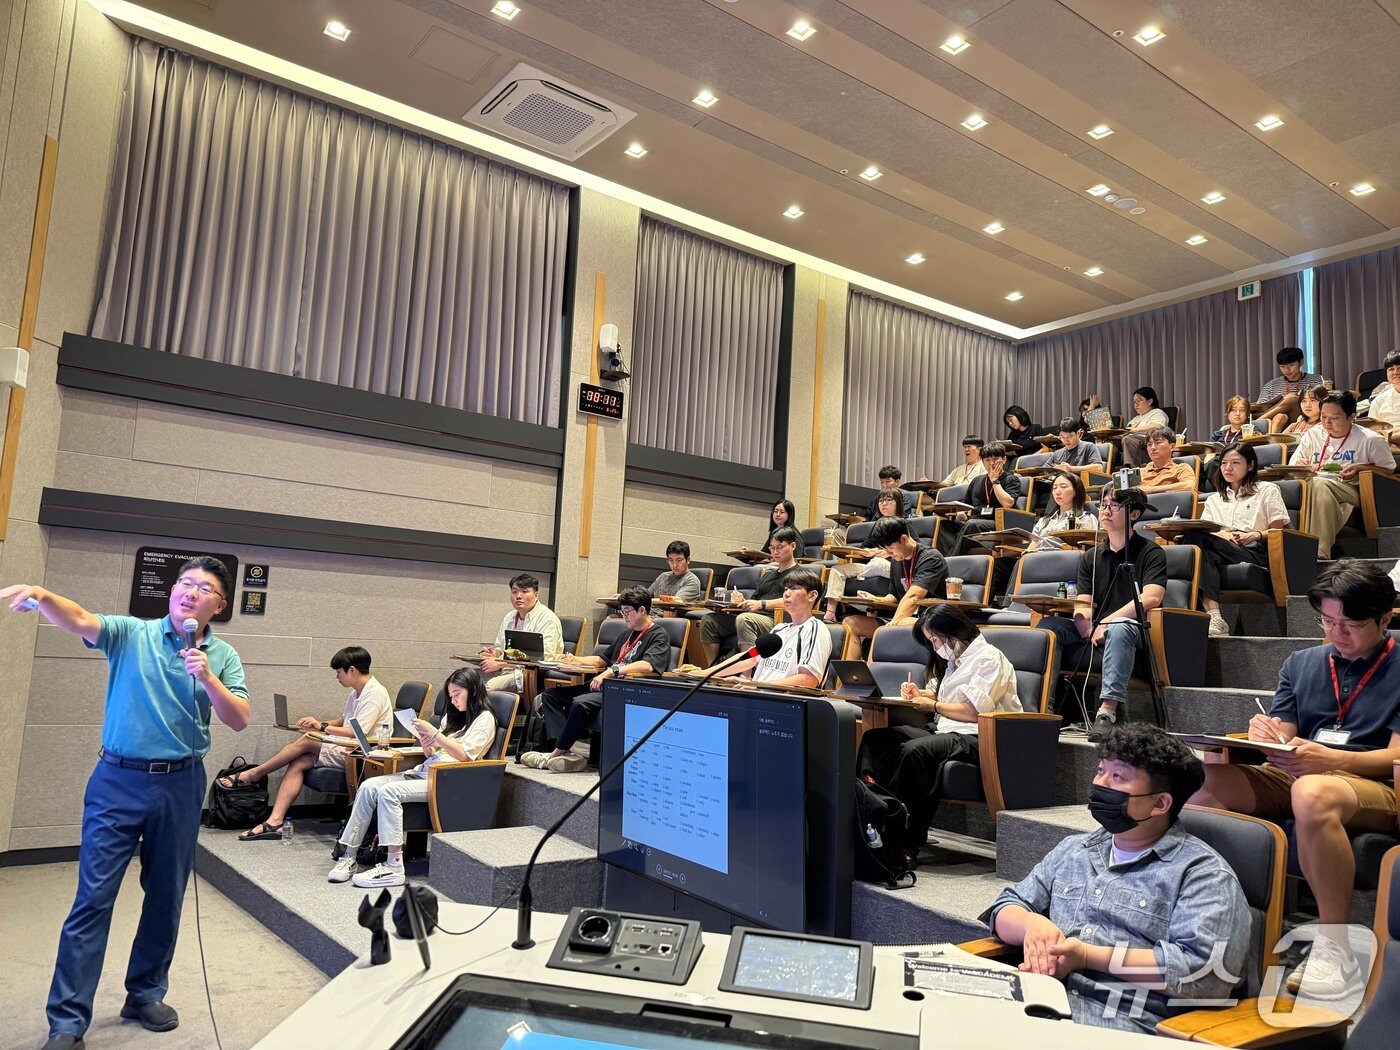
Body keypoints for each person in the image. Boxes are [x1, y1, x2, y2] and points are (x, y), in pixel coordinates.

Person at [3, 558, 250, 1048]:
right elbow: (79, 619)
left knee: (166, 896)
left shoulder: (222, 656)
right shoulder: (129, 633)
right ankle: (68, 1021)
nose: (190, 592)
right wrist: (44, 595)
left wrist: (207, 678)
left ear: (218, 606)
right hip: (117, 780)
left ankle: (144, 993)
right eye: (185, 583)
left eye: (204, 589)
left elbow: (239, 718)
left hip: (181, 784)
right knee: (92, 899)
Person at [1190, 561, 1400, 1000]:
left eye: (1350, 624)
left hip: (1375, 784)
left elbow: (1396, 754)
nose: (1336, 633)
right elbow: (1284, 732)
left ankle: (1334, 946)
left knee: (1311, 792)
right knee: (1198, 783)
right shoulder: (1303, 663)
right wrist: (1266, 735)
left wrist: (1334, 760)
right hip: (1301, 771)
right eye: (1327, 621)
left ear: (1385, 618)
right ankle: (1211, 920)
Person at [985, 725, 1249, 1035]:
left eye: (1118, 777)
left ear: (1160, 803)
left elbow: (1204, 973)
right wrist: (1032, 925)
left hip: (1121, 1023)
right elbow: (1005, 906)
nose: (1100, 784)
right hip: (1040, 1004)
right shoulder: (1075, 849)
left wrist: (1086, 956)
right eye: (1100, 771)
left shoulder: (1201, 873)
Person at [858, 604, 1020, 869]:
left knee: (916, 752)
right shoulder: (955, 659)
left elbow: (971, 711)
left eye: (934, 639)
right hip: (947, 728)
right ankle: (870, 815)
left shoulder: (989, 658)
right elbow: (949, 697)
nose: (934, 647)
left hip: (979, 736)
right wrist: (921, 694)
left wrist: (931, 706)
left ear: (952, 631)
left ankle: (906, 840)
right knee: (877, 739)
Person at [328, 666, 497, 888]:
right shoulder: (453, 718)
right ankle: (348, 856)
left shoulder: (485, 719)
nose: (454, 701)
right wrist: (428, 745)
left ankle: (394, 865)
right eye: (451, 696)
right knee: (369, 786)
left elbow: (465, 756)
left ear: (473, 691)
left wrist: (435, 733)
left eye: (458, 695)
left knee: (389, 791)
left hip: (449, 782)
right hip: (428, 772)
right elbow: (437, 755)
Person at [1036, 487, 1167, 741]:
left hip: (1132, 631)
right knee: (1048, 625)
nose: (1105, 510)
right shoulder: (1091, 557)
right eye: (1103, 505)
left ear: (1134, 514)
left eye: (1113, 506)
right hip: (1097, 630)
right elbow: (1083, 603)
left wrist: (1107, 621)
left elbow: (1152, 597)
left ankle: (1107, 713)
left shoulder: (1151, 552)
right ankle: (1044, 707)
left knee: (1120, 626)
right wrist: (1086, 626)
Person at [224, 646, 392, 840]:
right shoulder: (357, 692)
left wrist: (320, 728)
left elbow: (357, 733)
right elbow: (344, 720)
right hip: (347, 748)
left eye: (339, 672)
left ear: (352, 670)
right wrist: (319, 723)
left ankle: (254, 773)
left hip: (361, 754)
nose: (337, 677)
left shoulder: (375, 693)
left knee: (307, 740)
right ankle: (275, 822)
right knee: (299, 762)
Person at [521, 586, 673, 772]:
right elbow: (602, 659)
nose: (624, 616)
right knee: (551, 695)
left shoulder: (659, 635)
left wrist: (612, 671)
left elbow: (649, 666)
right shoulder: (626, 634)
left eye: (627, 611)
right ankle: (566, 750)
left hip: (626, 689)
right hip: (605, 685)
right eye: (622, 611)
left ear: (642, 610)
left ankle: (555, 754)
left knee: (579, 703)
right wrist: (575, 659)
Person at [1177, 444, 1288, 638]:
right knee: (1199, 549)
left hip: (1254, 551)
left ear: (1251, 465)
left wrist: (1253, 535)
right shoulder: (1214, 500)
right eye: (1224, 463)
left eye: (1235, 463)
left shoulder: (1267, 490)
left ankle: (1195, 614)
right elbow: (1207, 530)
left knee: (1194, 540)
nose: (1228, 468)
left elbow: (1279, 531)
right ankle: (1215, 617)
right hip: (1220, 547)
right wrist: (1223, 535)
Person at [1288, 391, 1396, 558]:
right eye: (1323, 416)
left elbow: (1388, 471)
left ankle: (1313, 551)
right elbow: (1294, 464)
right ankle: (1320, 553)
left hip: (1352, 489)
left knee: (1318, 484)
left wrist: (1361, 467)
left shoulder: (1371, 439)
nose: (1327, 423)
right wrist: (1301, 466)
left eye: (1334, 418)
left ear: (1352, 416)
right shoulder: (1313, 434)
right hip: (1318, 487)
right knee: (1323, 492)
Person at [687, 569, 832, 689]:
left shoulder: (815, 629)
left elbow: (808, 680)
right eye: (786, 588)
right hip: (758, 695)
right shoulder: (778, 630)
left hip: (785, 705)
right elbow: (749, 657)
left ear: (812, 595)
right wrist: (704, 673)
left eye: (794, 588)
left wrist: (757, 685)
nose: (786, 593)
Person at [700, 526, 804, 664]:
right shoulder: (768, 575)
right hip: (755, 616)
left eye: (779, 547)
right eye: (772, 548)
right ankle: (714, 668)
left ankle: (745, 673)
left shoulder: (800, 575)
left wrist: (761, 604)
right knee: (709, 621)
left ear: (792, 546)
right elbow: (755, 600)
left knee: (745, 619)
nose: (775, 552)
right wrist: (743, 601)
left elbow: (795, 601)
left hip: (778, 620)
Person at [842, 517, 948, 646]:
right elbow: (894, 596)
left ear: (904, 539)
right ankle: (859, 667)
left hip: (930, 620)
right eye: (884, 549)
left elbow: (914, 596)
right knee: (851, 623)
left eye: (890, 548)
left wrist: (891, 626)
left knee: (901, 623)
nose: (888, 553)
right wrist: (876, 599)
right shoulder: (896, 561)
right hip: (901, 618)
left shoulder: (930, 558)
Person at [823, 488, 900, 622]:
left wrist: (889, 552)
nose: (884, 504)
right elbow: (865, 547)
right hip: (872, 564)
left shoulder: (904, 524)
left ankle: (863, 578)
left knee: (878, 563)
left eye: (888, 500)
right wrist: (871, 551)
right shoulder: (877, 525)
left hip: (894, 566)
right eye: (881, 500)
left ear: (898, 503)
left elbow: (912, 547)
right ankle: (830, 613)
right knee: (837, 570)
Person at [479, 573, 564, 693]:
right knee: (466, 680)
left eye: (524, 591)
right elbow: (501, 648)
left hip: (526, 674)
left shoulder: (548, 619)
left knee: (488, 687)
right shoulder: (509, 617)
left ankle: (488, 712)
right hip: (504, 670)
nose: (518, 596)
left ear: (536, 595)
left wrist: (502, 663)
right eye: (514, 592)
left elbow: (544, 658)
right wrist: (493, 653)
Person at [939, 441, 1022, 555]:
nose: (991, 463)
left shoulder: (1012, 479)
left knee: (972, 524)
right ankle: (948, 556)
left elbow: (1008, 503)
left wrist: (995, 481)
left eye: (995, 459)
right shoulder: (977, 481)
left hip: (997, 523)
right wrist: (960, 513)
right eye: (987, 460)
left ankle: (950, 560)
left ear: (1004, 459)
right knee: (943, 525)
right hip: (975, 521)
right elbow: (967, 505)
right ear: (982, 461)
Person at [1255, 346, 1325, 433]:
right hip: (1277, 423)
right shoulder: (1271, 385)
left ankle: (1254, 424)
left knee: (1292, 398)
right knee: (1280, 417)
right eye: (1282, 366)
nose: (1287, 370)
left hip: (1303, 417)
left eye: (1291, 365)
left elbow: (1324, 402)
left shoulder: (1316, 380)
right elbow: (1260, 407)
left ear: (1301, 362)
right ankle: (1273, 442)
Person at [1029, 472, 1099, 550]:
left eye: (1063, 487)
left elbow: (1088, 548)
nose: (1057, 492)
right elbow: (1032, 546)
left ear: (1076, 491)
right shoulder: (1043, 521)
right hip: (1037, 558)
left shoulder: (1086, 518)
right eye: (1054, 488)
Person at [1203, 395, 1251, 492]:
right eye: (1233, 410)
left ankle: (1226, 491)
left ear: (1247, 414)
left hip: (1237, 463)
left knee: (1215, 464)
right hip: (1217, 464)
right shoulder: (1217, 435)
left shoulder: (1251, 433)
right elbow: (1208, 454)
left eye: (1242, 410)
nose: (1237, 414)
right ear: (1227, 413)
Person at [1121, 387, 1169, 467]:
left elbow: (1158, 427)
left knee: (1128, 439)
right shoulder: (1135, 418)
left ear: (1150, 401)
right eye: (1134, 402)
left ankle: (1131, 470)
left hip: (1148, 440)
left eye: (1138, 401)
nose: (1136, 405)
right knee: (1109, 441)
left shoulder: (1157, 413)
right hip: (1131, 438)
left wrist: (1134, 430)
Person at [1139, 427, 1197, 494]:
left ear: (1172, 446)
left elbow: (1189, 486)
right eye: (1149, 444)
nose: (1153, 448)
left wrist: (1151, 489)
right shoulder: (1141, 472)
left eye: (1158, 443)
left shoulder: (1181, 468)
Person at [1365, 350, 1400, 451]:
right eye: (1391, 369)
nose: (1396, 372)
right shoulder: (1379, 401)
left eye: (1399, 368)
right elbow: (1372, 430)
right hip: (1388, 446)